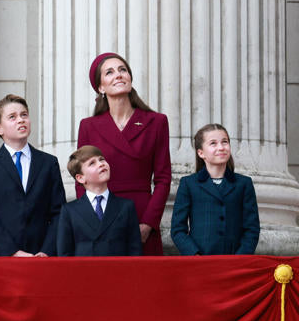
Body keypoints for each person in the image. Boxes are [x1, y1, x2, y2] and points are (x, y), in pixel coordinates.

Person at [77, 53, 171, 255]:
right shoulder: (88, 126)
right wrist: (91, 220)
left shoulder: (157, 122)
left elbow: (163, 179)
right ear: (100, 87)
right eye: (109, 72)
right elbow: (81, 179)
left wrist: (148, 223)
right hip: (103, 214)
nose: (118, 75)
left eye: (123, 70)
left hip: (141, 213)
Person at [0, 94, 65, 257]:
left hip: (41, 255)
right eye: (12, 117)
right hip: (2, 255)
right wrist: (14, 252)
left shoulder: (49, 163)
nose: (21, 120)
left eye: (24, 115)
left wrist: (46, 250)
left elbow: (58, 212)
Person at [171, 124, 260, 255]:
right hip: (200, 262)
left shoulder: (243, 184)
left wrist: (240, 258)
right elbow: (178, 229)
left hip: (235, 262)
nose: (221, 147)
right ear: (201, 153)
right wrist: (194, 255)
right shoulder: (189, 184)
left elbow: (252, 228)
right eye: (213, 143)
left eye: (225, 142)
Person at [58, 145, 142, 256]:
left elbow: (135, 250)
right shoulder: (69, 211)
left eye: (101, 159)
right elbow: (64, 253)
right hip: (84, 272)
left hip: (119, 271)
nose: (101, 164)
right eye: (92, 163)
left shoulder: (126, 206)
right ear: (80, 178)